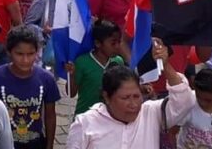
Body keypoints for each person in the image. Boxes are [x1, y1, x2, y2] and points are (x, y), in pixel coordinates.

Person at [65, 40, 195, 148]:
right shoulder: (84, 124)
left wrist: (165, 64)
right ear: (107, 97)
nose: (133, 104)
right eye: (125, 98)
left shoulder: (151, 113)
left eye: (136, 96)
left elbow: (184, 101)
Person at [0, 25, 60, 149]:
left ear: (37, 52)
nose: (25, 60)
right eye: (19, 54)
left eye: (30, 54)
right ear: (9, 52)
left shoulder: (46, 79)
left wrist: (49, 145)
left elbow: (50, 115)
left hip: (35, 144)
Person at [64, 20, 124, 116]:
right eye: (113, 43)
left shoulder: (118, 62)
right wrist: (71, 76)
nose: (117, 46)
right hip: (85, 115)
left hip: (110, 117)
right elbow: (71, 93)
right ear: (98, 43)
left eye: (119, 42)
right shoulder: (82, 62)